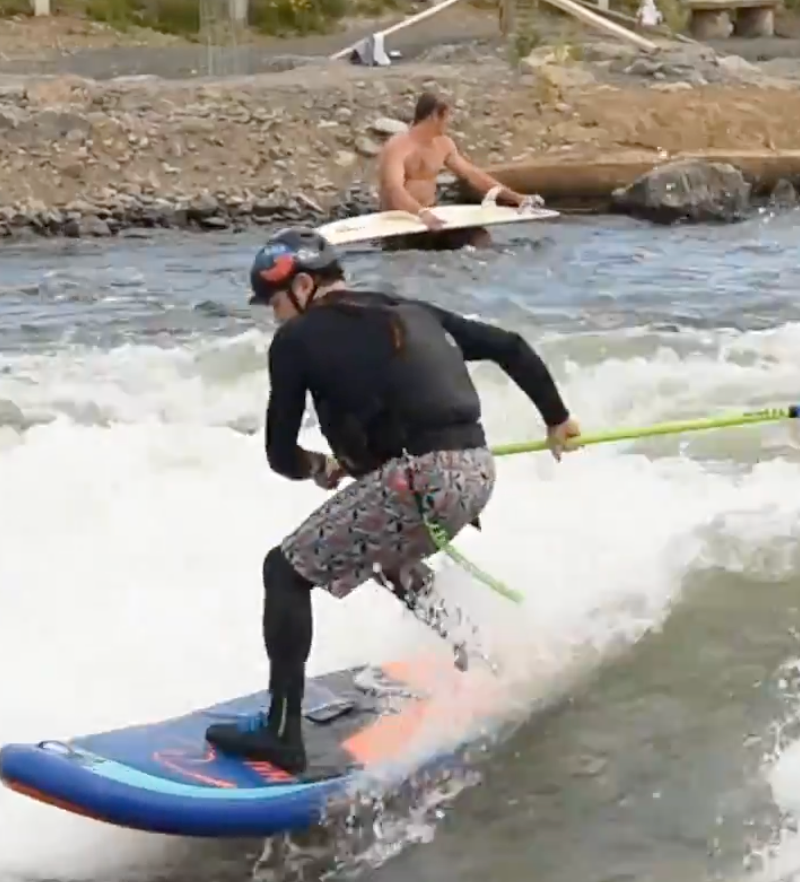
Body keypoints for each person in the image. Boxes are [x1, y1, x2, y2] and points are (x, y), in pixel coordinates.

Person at [204, 227, 581, 774]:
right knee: (389, 558)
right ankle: (480, 654)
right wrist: (557, 418)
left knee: (283, 572)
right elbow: (510, 347)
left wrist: (318, 467)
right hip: (475, 470)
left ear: (304, 285)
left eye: (274, 302)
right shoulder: (407, 309)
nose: (275, 316)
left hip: (420, 480)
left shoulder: (297, 339)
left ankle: (282, 732)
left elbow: (280, 454)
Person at [374, 90, 544, 252]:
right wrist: (421, 213)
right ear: (435, 116)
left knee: (479, 237)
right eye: (447, 116)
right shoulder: (398, 147)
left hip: (431, 218)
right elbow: (394, 189)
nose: (449, 122)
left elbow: (472, 175)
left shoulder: (443, 144)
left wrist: (516, 197)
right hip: (401, 222)